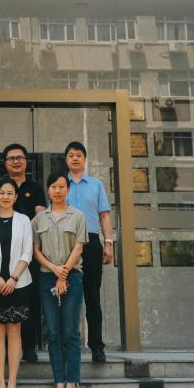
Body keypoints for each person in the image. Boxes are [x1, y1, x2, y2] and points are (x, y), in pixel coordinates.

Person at [32, 173, 86, 388]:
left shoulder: (78, 216)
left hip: (72, 276)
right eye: (53, 186)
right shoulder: (39, 219)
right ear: (48, 189)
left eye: (62, 186)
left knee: (70, 331)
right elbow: (36, 251)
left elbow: (79, 248)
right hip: (47, 277)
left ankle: (71, 384)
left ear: (68, 190)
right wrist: (54, 269)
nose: (57, 190)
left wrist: (63, 273)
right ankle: (59, 383)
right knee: (53, 333)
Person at [0, 142, 47, 363]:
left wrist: (22, 231)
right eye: (11, 158)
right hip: (2, 252)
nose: (16, 161)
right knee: (3, 301)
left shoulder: (35, 187)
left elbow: (40, 215)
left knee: (29, 300)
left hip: (28, 251)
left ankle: (29, 346)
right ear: (5, 163)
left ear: (26, 161)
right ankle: (7, 349)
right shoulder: (0, 185)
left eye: (20, 158)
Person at [0, 178, 33, 388]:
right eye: (2, 193)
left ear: (15, 196)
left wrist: (13, 278)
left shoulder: (24, 220)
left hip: (18, 283)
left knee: (14, 331)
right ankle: (0, 384)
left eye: (9, 193)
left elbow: (27, 252)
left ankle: (12, 383)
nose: (5, 197)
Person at [63, 141, 114, 363]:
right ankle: (67, 345)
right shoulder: (60, 184)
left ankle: (96, 346)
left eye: (79, 155)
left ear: (84, 159)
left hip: (92, 242)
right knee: (66, 296)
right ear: (66, 159)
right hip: (66, 243)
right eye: (71, 155)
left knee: (92, 296)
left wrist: (108, 242)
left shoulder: (96, 184)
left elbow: (104, 215)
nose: (75, 158)